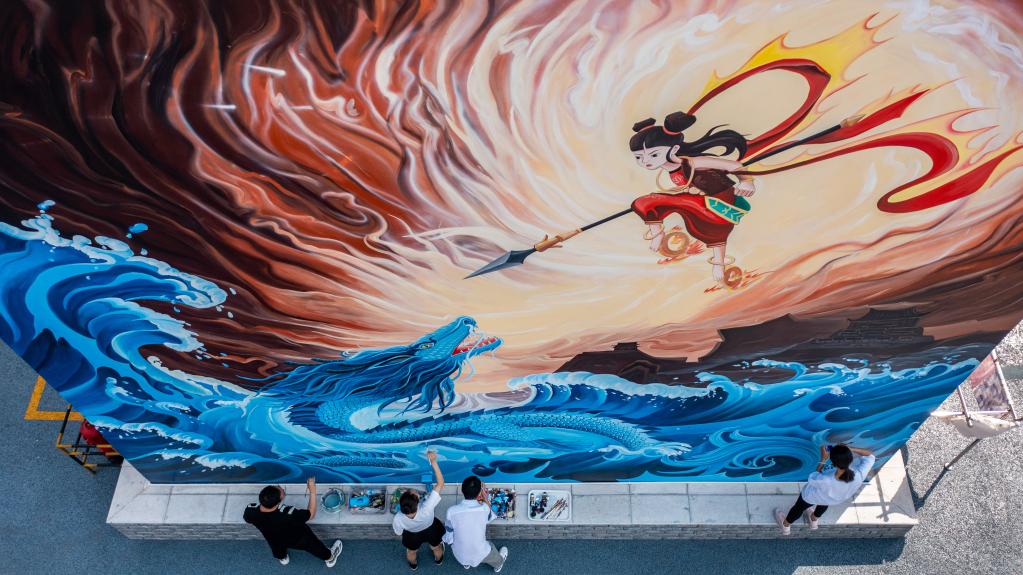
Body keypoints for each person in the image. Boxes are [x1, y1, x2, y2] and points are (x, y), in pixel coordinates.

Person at [629, 111, 755, 283]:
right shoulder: (670, 169)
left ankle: (718, 262)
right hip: (700, 203)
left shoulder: (692, 162)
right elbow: (689, 186)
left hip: (721, 203)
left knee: (648, 201)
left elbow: (734, 165)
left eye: (654, 154)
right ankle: (657, 232)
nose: (645, 161)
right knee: (650, 203)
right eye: (639, 157)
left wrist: (747, 181)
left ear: (674, 149)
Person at [774, 443, 876, 535]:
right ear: (850, 459)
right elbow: (870, 455)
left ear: (833, 464)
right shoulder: (859, 474)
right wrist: (849, 449)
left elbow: (813, 478)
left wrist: (823, 459)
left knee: (798, 508)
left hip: (811, 497)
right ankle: (814, 520)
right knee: (823, 504)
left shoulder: (826, 479)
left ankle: (786, 525)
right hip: (833, 499)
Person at [243, 476, 343, 566]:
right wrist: (312, 491)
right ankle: (330, 557)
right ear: (278, 502)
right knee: (315, 547)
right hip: (299, 539)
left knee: (277, 549)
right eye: (281, 490)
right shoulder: (289, 514)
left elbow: (247, 519)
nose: (282, 488)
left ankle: (283, 558)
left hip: (273, 538)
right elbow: (311, 514)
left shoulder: (250, 510)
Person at [393, 450, 447, 570]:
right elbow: (441, 483)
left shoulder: (398, 518)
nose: (415, 491)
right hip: (431, 529)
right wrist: (433, 461)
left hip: (412, 535)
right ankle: (439, 560)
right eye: (415, 493)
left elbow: (398, 532)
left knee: (411, 551)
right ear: (417, 503)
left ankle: (413, 565)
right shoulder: (426, 507)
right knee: (436, 547)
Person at [443, 475, 508, 572]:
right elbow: (493, 515)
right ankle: (498, 565)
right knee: (495, 556)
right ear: (479, 493)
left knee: (464, 556)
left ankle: (466, 564)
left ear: (462, 490)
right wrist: (485, 498)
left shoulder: (451, 511)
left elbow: (449, 535)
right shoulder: (484, 508)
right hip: (481, 553)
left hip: (460, 554)